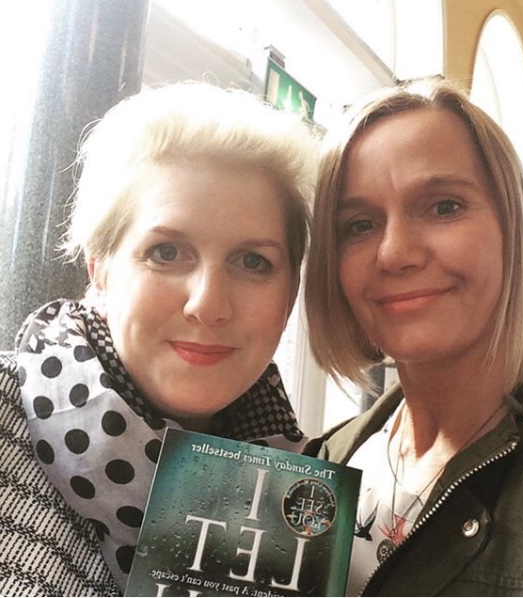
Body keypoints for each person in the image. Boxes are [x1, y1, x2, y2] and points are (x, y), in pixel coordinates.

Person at [0, 80, 318, 596]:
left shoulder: (303, 501)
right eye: (166, 253)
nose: (208, 304)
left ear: (290, 295)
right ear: (100, 270)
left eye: (252, 261)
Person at [303, 76, 523, 596]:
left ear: (513, 230)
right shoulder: (325, 461)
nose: (395, 253)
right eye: (359, 225)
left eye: (443, 206)